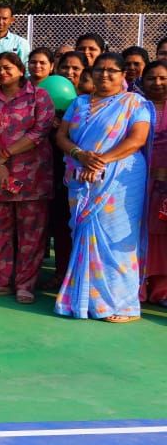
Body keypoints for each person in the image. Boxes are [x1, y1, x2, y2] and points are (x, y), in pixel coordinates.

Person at [54, 53, 153, 321]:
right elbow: (61, 136)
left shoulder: (135, 102)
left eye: (112, 70)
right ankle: (86, 300)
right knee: (84, 234)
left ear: (123, 75)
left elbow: (137, 139)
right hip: (81, 176)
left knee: (116, 237)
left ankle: (123, 305)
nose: (105, 75)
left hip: (120, 179)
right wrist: (80, 155)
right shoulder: (79, 102)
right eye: (99, 70)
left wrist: (99, 161)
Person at [0, 51, 56, 304]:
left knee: (31, 234)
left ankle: (25, 285)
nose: (1, 72)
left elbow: (40, 131)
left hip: (32, 179)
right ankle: (1, 282)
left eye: (7, 67)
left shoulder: (39, 96)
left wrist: (4, 155)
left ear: (21, 70)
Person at [140, 63, 167, 304]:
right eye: (151, 78)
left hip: (165, 184)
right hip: (135, 182)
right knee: (136, 233)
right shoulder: (132, 106)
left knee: (162, 237)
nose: (157, 83)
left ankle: (161, 290)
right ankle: (135, 288)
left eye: (163, 78)